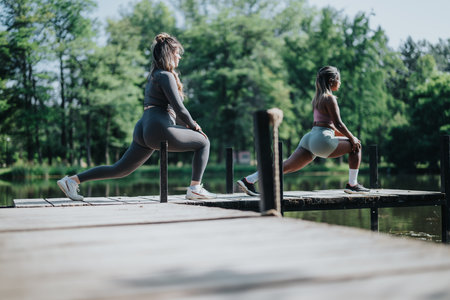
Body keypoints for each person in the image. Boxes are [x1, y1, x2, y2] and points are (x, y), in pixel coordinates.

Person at [58, 33, 216, 201]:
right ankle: (195, 188)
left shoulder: (154, 76)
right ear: (169, 53)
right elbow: (180, 109)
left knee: (120, 169)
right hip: (158, 127)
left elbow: (169, 111)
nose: (180, 57)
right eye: (177, 53)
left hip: (145, 127)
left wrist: (185, 124)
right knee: (203, 142)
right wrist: (194, 126)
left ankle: (72, 181)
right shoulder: (166, 75)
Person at [237, 66, 369, 195]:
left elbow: (329, 126)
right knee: (356, 146)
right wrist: (353, 138)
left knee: (285, 166)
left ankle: (249, 180)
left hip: (310, 138)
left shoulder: (317, 99)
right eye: (338, 79)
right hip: (322, 140)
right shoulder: (330, 98)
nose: (340, 83)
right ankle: (353, 184)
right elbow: (338, 124)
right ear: (331, 81)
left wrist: (350, 137)